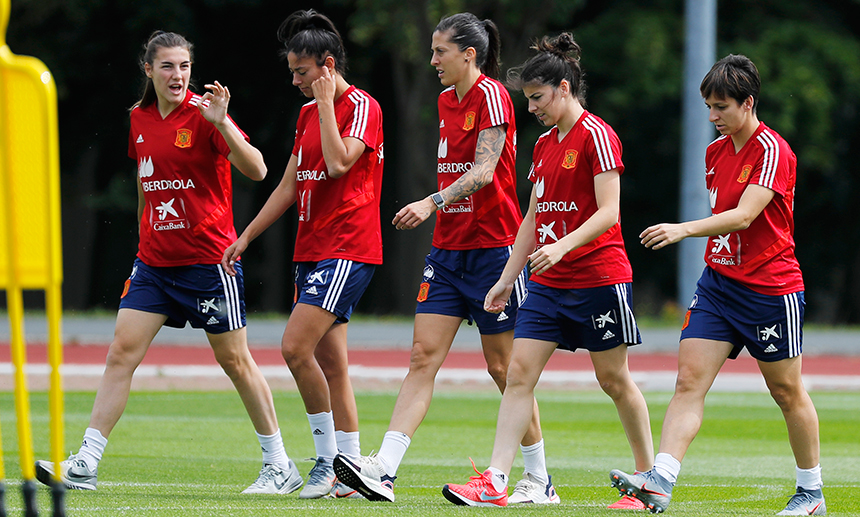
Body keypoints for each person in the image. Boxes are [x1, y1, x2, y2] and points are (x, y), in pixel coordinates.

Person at [33, 30, 300, 495]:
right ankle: (85, 463)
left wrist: (221, 123)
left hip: (207, 264)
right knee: (121, 353)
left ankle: (280, 465)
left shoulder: (206, 114)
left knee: (235, 361)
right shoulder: (137, 118)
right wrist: (143, 244)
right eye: (168, 66)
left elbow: (257, 168)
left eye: (184, 66)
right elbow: (144, 184)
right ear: (148, 69)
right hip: (154, 265)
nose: (177, 75)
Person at [334, 12, 555, 505]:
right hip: (448, 252)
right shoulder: (442, 100)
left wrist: (430, 201)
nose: (432, 60)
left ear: (468, 55)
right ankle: (384, 469)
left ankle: (539, 479)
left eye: (440, 52)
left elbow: (483, 170)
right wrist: (439, 212)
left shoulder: (493, 96)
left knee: (505, 371)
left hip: (495, 250)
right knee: (421, 358)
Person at [439, 32, 654, 508]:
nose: (531, 107)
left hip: (599, 277)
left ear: (563, 88)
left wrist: (564, 248)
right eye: (527, 99)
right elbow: (533, 222)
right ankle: (496, 479)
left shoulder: (596, 135)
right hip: (548, 285)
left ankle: (647, 481)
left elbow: (609, 212)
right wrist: (505, 279)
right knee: (518, 374)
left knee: (613, 380)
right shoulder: (541, 146)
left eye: (537, 98)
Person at [609, 54, 825, 516]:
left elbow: (746, 215)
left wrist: (684, 229)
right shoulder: (714, 152)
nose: (712, 117)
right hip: (719, 286)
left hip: (770, 288)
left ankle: (811, 493)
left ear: (748, 104)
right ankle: (661, 481)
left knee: (787, 392)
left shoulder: (772, 150)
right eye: (708, 106)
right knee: (688, 381)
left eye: (721, 107)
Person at [221, 9, 384, 500]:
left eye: (302, 71)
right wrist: (247, 234)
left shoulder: (361, 107)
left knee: (295, 349)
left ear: (327, 66)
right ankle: (353, 469)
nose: (295, 80)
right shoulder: (307, 113)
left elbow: (336, 164)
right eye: (292, 71)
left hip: (348, 248)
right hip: (311, 250)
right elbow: (292, 182)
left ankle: (326, 462)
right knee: (332, 365)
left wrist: (328, 104)